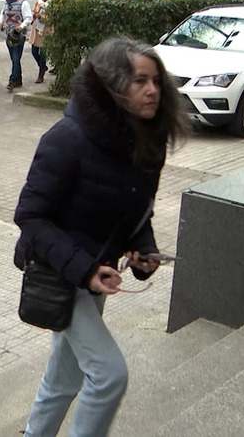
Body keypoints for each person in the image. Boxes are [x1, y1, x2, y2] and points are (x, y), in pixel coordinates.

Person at [14, 37, 189, 437]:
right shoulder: (67, 138)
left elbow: (136, 209)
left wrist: (144, 250)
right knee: (109, 375)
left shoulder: (146, 139)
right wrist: (87, 269)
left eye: (157, 81)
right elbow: (29, 216)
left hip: (95, 275)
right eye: (140, 81)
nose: (153, 90)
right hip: (60, 272)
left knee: (64, 380)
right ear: (112, 86)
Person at [0, 0, 32, 92]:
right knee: (14, 59)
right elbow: (2, 13)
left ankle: (12, 80)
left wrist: (21, 26)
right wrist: (1, 22)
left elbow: (28, 18)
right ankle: (18, 79)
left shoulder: (23, 2)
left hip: (19, 36)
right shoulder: (6, 2)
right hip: (9, 34)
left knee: (16, 57)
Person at [29, 0, 53, 84]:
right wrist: (34, 14)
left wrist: (41, 16)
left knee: (43, 53)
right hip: (36, 30)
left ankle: (41, 74)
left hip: (45, 31)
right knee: (34, 51)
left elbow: (50, 20)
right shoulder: (38, 2)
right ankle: (43, 66)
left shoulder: (51, 5)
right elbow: (34, 12)